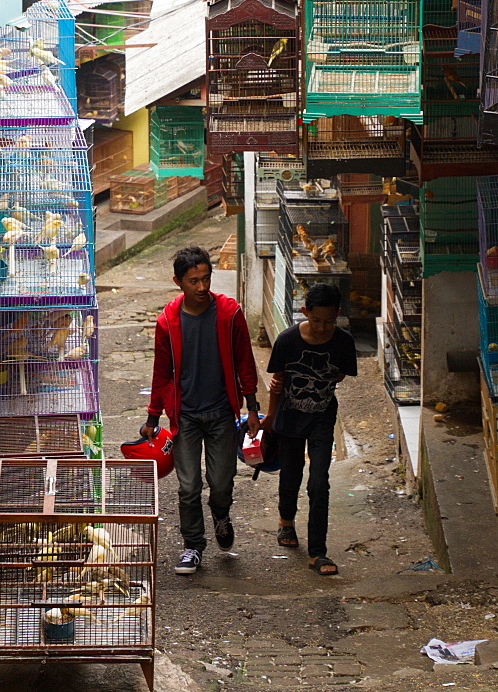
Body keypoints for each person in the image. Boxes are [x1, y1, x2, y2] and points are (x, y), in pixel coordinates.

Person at [142, 245, 260, 574]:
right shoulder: (167, 321)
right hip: (186, 416)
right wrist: (153, 416)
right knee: (188, 486)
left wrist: (252, 407)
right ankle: (193, 545)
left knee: (221, 483)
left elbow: (245, 362)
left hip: (223, 412)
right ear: (178, 281)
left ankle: (221, 515)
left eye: (206, 279)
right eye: (193, 281)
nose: (202, 287)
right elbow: (161, 371)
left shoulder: (229, 313)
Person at [264, 283, 357, 576]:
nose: (321, 327)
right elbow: (277, 381)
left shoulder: (343, 342)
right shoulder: (287, 340)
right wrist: (269, 417)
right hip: (289, 418)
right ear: (305, 312)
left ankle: (318, 552)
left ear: (338, 315)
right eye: (316, 320)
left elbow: (341, 373)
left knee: (319, 482)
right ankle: (286, 521)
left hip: (321, 418)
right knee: (291, 473)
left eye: (329, 321)